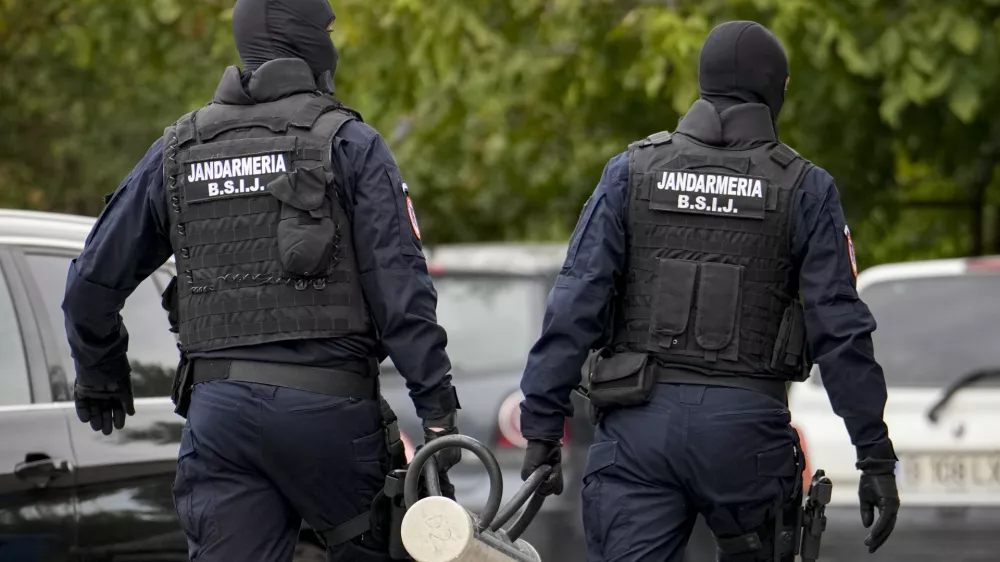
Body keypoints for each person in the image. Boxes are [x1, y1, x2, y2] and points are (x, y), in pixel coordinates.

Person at [61, 1, 461, 560]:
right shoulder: (349, 144)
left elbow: (89, 286)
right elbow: (401, 294)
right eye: (325, 31)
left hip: (220, 418)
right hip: (329, 415)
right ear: (304, 41)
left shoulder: (178, 151)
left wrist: (100, 374)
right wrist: (439, 414)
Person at [518, 20, 900, 562]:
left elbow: (574, 304)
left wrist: (540, 430)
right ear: (774, 89)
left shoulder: (631, 172)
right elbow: (840, 331)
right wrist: (874, 457)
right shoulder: (805, 188)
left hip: (637, 434)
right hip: (745, 439)